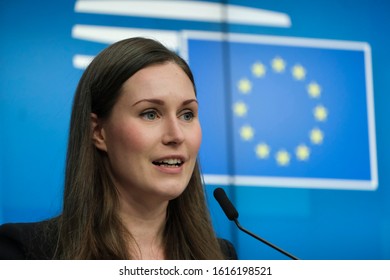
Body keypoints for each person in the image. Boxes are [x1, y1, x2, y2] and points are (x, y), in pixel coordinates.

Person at [0, 37, 237, 260]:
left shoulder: (221, 257)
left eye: (187, 114)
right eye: (150, 114)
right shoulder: (25, 253)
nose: (176, 135)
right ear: (98, 132)